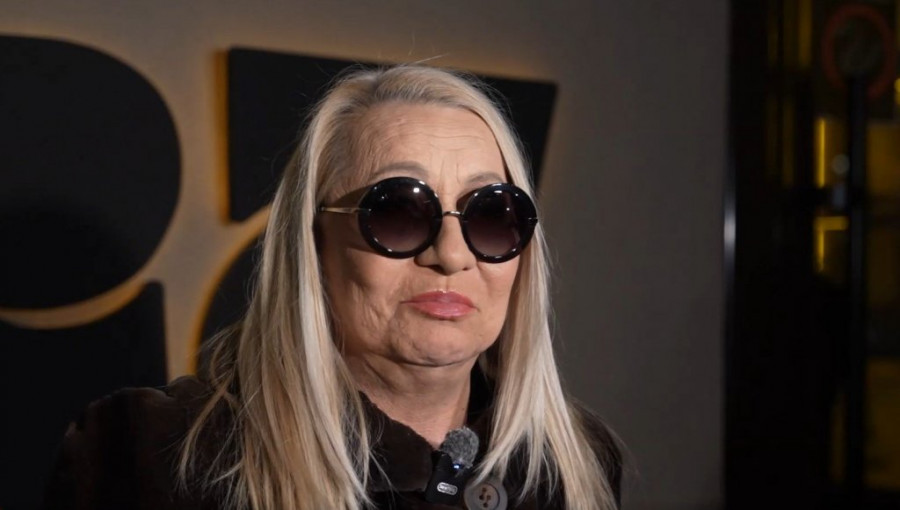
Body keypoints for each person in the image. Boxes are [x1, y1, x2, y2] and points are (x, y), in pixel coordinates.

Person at [43, 65, 621, 510]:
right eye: (397, 212)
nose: (451, 255)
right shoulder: (154, 454)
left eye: (491, 215)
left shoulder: (574, 463)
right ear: (314, 244)